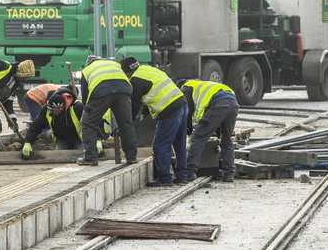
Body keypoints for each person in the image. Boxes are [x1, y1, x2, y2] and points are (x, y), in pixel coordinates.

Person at [121, 56, 188, 186]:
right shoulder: (149, 70)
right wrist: (142, 114)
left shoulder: (135, 80)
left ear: (127, 71)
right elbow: (151, 94)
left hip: (169, 109)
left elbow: (134, 105)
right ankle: (182, 176)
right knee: (179, 144)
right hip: (182, 104)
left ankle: (165, 178)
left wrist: (127, 122)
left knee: (160, 145)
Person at [78, 55, 137, 166]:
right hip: (124, 91)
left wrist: (88, 110)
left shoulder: (87, 70)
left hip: (101, 90)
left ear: (89, 63)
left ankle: (90, 158)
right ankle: (131, 157)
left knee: (88, 124)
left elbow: (85, 95)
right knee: (126, 125)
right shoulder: (115, 64)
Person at [178, 79, 240, 182]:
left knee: (197, 137)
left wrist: (188, 129)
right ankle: (229, 174)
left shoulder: (186, 88)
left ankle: (189, 172)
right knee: (226, 139)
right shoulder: (203, 84)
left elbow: (188, 111)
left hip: (219, 105)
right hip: (233, 105)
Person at [21, 88, 84, 159]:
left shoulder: (78, 108)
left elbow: (91, 123)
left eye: (52, 110)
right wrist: (28, 142)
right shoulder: (47, 109)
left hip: (79, 139)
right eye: (49, 109)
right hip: (62, 139)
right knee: (61, 159)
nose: (50, 112)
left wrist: (98, 139)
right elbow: (36, 126)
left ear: (60, 109)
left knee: (81, 157)